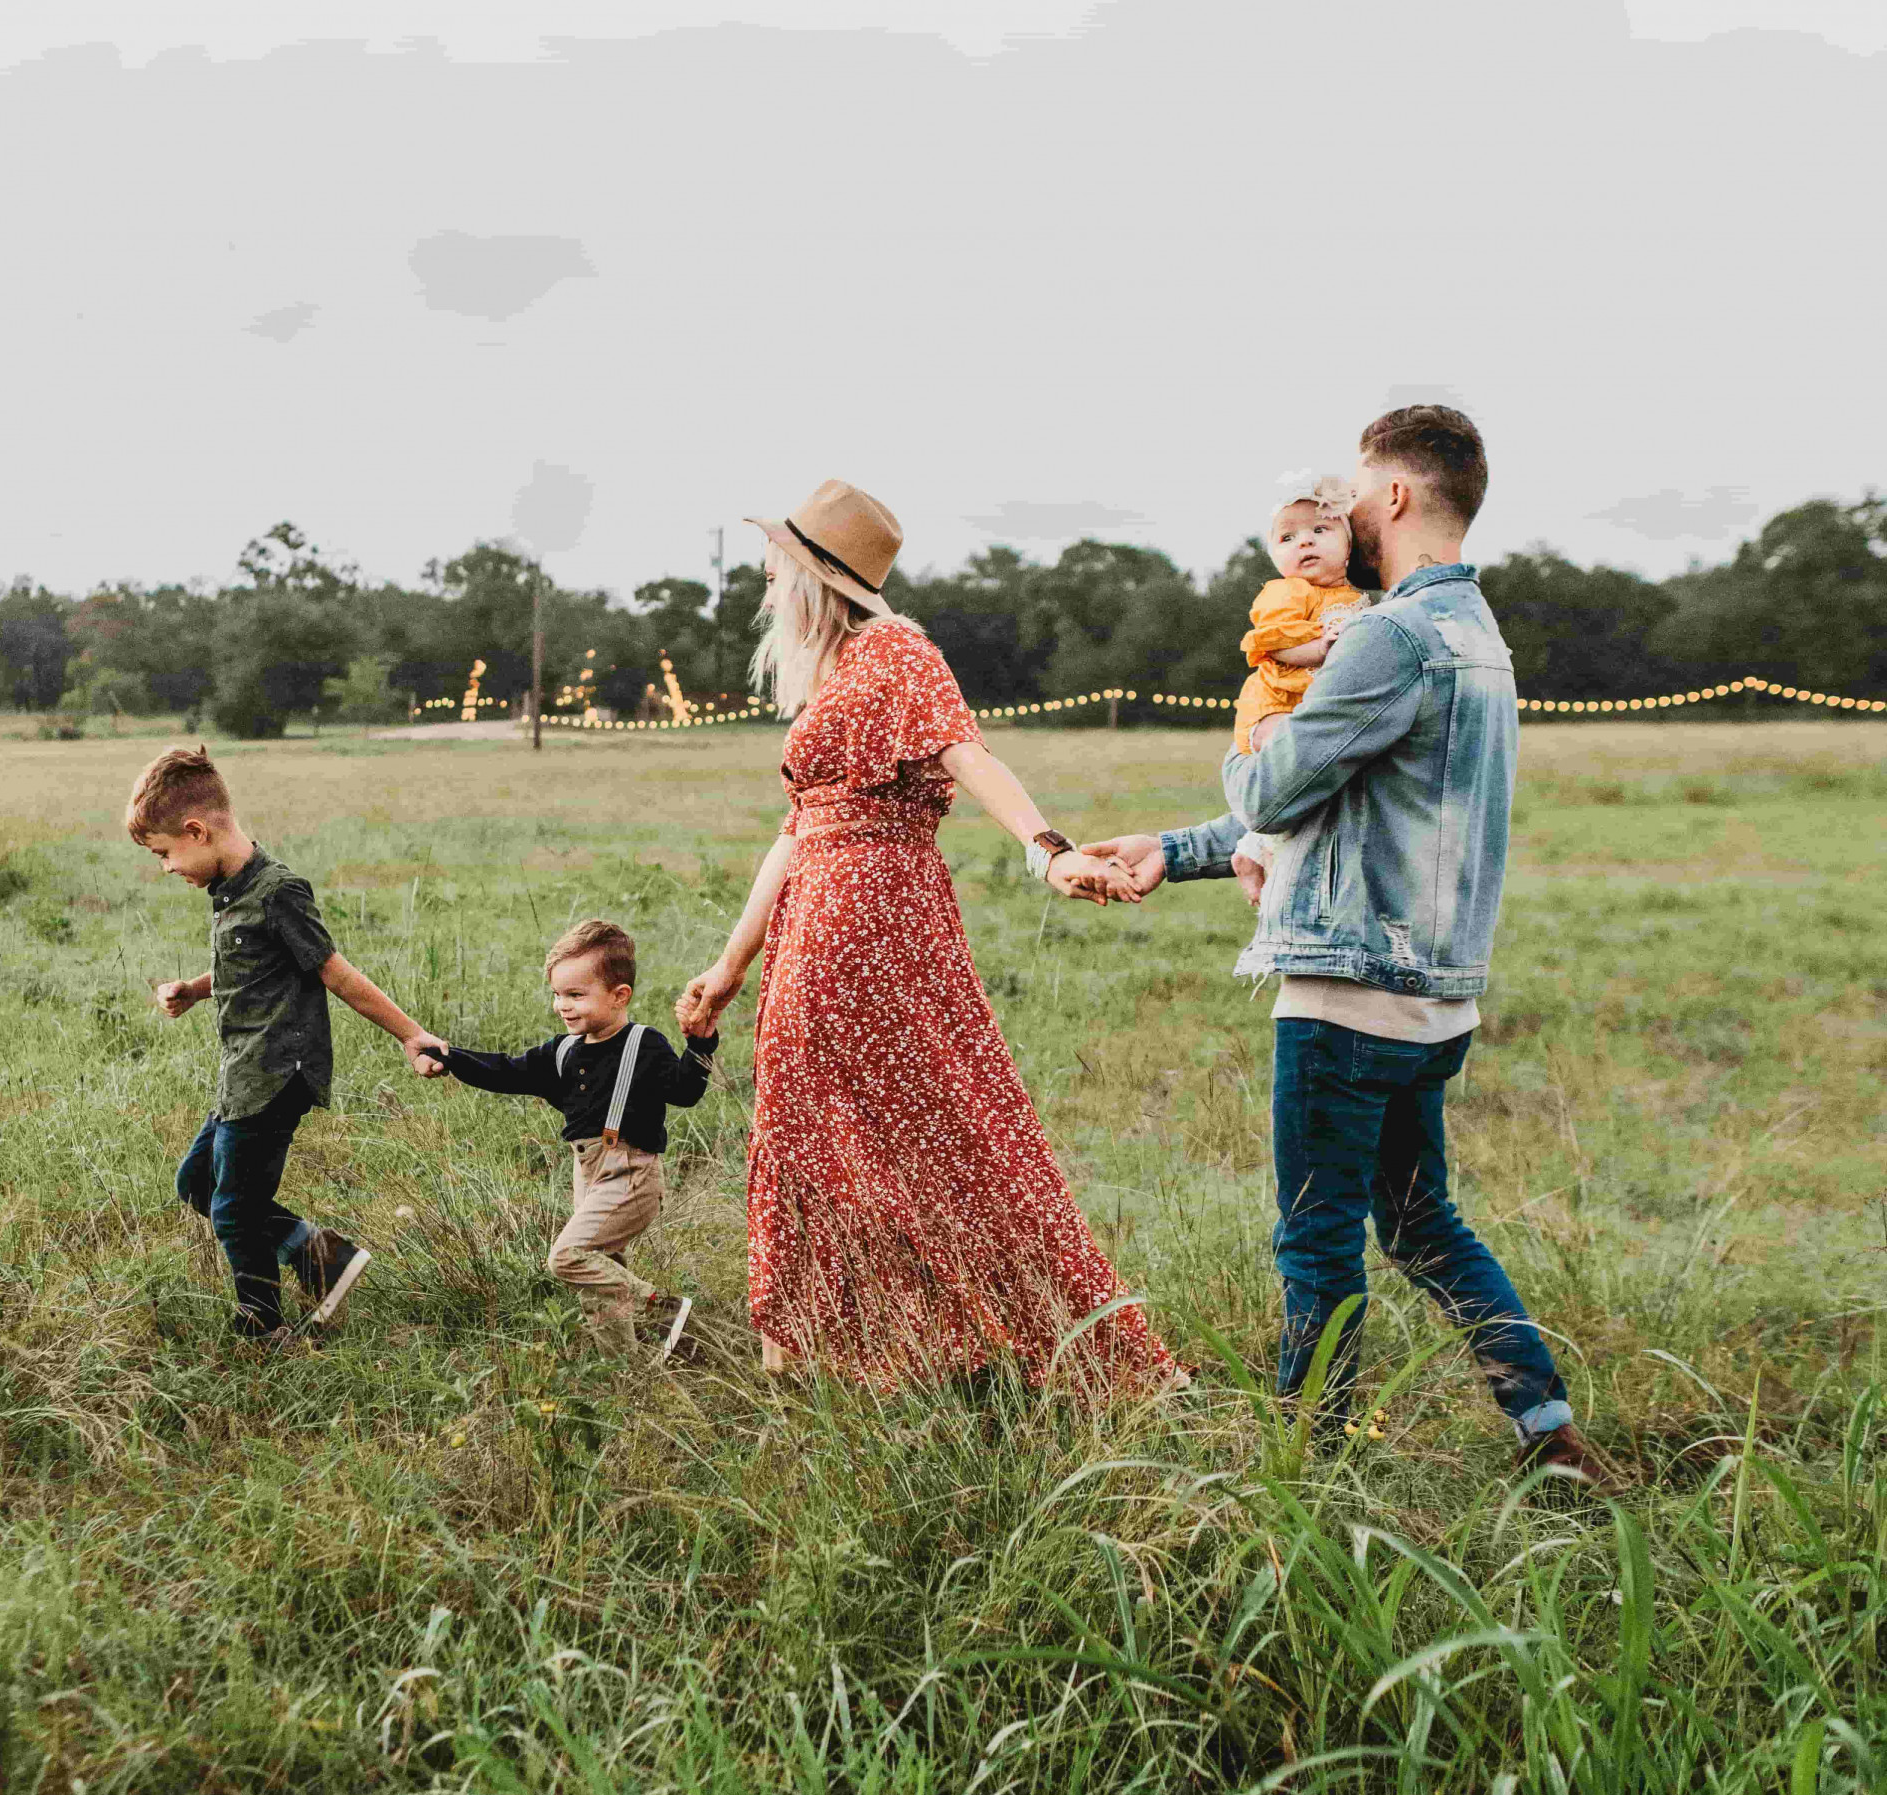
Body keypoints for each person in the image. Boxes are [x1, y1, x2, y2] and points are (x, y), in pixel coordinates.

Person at [1084, 408, 1596, 1478]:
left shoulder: (1385, 635)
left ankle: (1304, 1472)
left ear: (1396, 498)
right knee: (1417, 1227)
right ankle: (1544, 1431)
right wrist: (1170, 850)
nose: (1343, 512)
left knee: (1315, 1241)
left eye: (1356, 492)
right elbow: (1341, 808)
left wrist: (1256, 738)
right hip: (1433, 998)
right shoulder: (1477, 638)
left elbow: (1273, 785)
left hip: (1344, 994)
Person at [676, 478, 1180, 1394]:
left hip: (870, 918)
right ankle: (830, 1350)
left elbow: (967, 753)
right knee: (818, 1131)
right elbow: (796, 830)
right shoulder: (835, 673)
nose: (764, 580)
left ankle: (996, 1341)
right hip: (819, 917)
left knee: (939, 1127)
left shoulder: (897, 651)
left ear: (814, 575)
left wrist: (1047, 850)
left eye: (775, 564)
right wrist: (728, 964)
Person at [128, 745, 434, 1349]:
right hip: (242, 1074)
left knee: (235, 1209)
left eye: (164, 853)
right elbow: (256, 967)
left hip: (275, 1074)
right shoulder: (234, 893)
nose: (165, 867)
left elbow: (336, 973)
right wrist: (195, 988)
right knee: (196, 1185)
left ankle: (264, 1329)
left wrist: (412, 1035)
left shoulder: (277, 890)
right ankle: (320, 1256)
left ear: (197, 830)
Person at [416, 919, 716, 1357]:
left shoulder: (643, 1045)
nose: (563, 1006)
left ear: (620, 996)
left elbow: (686, 1092)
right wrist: (449, 1056)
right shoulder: (562, 1051)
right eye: (558, 994)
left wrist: (700, 1045)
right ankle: (624, 1372)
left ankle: (661, 1308)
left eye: (576, 995)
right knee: (600, 1275)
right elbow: (504, 1071)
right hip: (587, 1173)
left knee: (569, 1258)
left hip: (631, 1173)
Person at [1229, 472, 1370, 911]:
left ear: (1349, 545)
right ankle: (1257, 853)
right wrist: (1322, 648)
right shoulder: (1287, 592)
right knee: (1295, 764)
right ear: (1274, 555)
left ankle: (1253, 851)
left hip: (1310, 704)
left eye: (1320, 531)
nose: (1304, 543)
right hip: (1276, 703)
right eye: (1288, 537)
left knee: (1313, 781)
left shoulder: (1357, 597)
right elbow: (1277, 642)